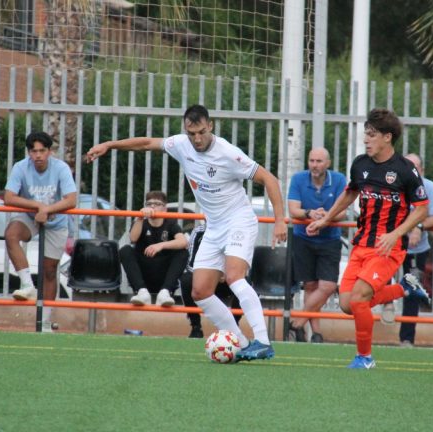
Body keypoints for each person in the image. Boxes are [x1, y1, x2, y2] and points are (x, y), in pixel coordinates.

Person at [87, 104, 287, 361]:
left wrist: (280, 221)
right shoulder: (181, 145)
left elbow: (270, 179)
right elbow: (147, 142)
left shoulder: (228, 153)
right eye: (191, 133)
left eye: (201, 132)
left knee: (235, 277)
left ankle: (263, 341)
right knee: (200, 291)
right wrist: (110, 145)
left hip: (238, 221)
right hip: (213, 226)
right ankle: (239, 341)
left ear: (210, 126)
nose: (197, 139)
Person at [306, 108, 431, 369]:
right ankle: (406, 289)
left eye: (371, 135)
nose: (366, 140)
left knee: (359, 298)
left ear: (387, 137)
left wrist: (396, 233)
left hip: (389, 247)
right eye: (366, 134)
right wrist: (326, 219)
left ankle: (365, 358)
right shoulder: (360, 164)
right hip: (362, 243)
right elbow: (350, 193)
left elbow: (422, 208)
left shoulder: (406, 170)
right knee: (346, 304)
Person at [4, 131, 77, 329]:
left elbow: (71, 199)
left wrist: (47, 210)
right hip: (30, 216)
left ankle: (45, 322)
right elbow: (9, 197)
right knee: (11, 234)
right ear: (29, 153)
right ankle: (27, 284)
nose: (38, 155)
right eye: (33, 151)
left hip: (56, 220)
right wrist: (37, 206)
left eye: (42, 151)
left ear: (49, 152)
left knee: (50, 271)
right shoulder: (20, 167)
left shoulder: (61, 168)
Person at [286, 147, 346, 343]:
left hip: (330, 239)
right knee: (310, 286)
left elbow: (343, 212)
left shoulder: (338, 179)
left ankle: (296, 324)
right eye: (311, 160)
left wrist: (325, 218)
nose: (314, 165)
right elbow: (294, 209)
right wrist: (310, 213)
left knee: (327, 286)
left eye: (319, 161)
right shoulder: (298, 179)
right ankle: (317, 335)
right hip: (303, 238)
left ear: (327, 163)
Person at [394, 153, 433, 347]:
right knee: (377, 280)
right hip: (392, 244)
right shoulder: (393, 185)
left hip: (417, 248)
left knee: (412, 290)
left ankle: (407, 338)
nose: (411, 171)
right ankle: (386, 305)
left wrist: (419, 227)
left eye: (415, 167)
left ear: (421, 170)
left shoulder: (429, 187)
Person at [119, 190, 189, 306]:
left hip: (164, 274)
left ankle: (165, 292)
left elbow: (183, 241)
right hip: (144, 273)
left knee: (183, 252)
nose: (152, 206)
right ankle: (141, 292)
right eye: (149, 203)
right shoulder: (141, 222)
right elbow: (133, 239)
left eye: (157, 204)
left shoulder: (170, 223)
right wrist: (140, 218)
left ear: (165, 209)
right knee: (125, 250)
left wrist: (160, 245)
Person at [180, 222, 242, 338]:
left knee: (244, 283)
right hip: (203, 279)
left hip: (227, 278)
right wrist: (213, 274)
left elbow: (243, 263)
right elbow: (190, 263)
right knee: (187, 280)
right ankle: (196, 327)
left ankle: (233, 327)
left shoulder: (237, 231)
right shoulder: (199, 231)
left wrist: (225, 273)